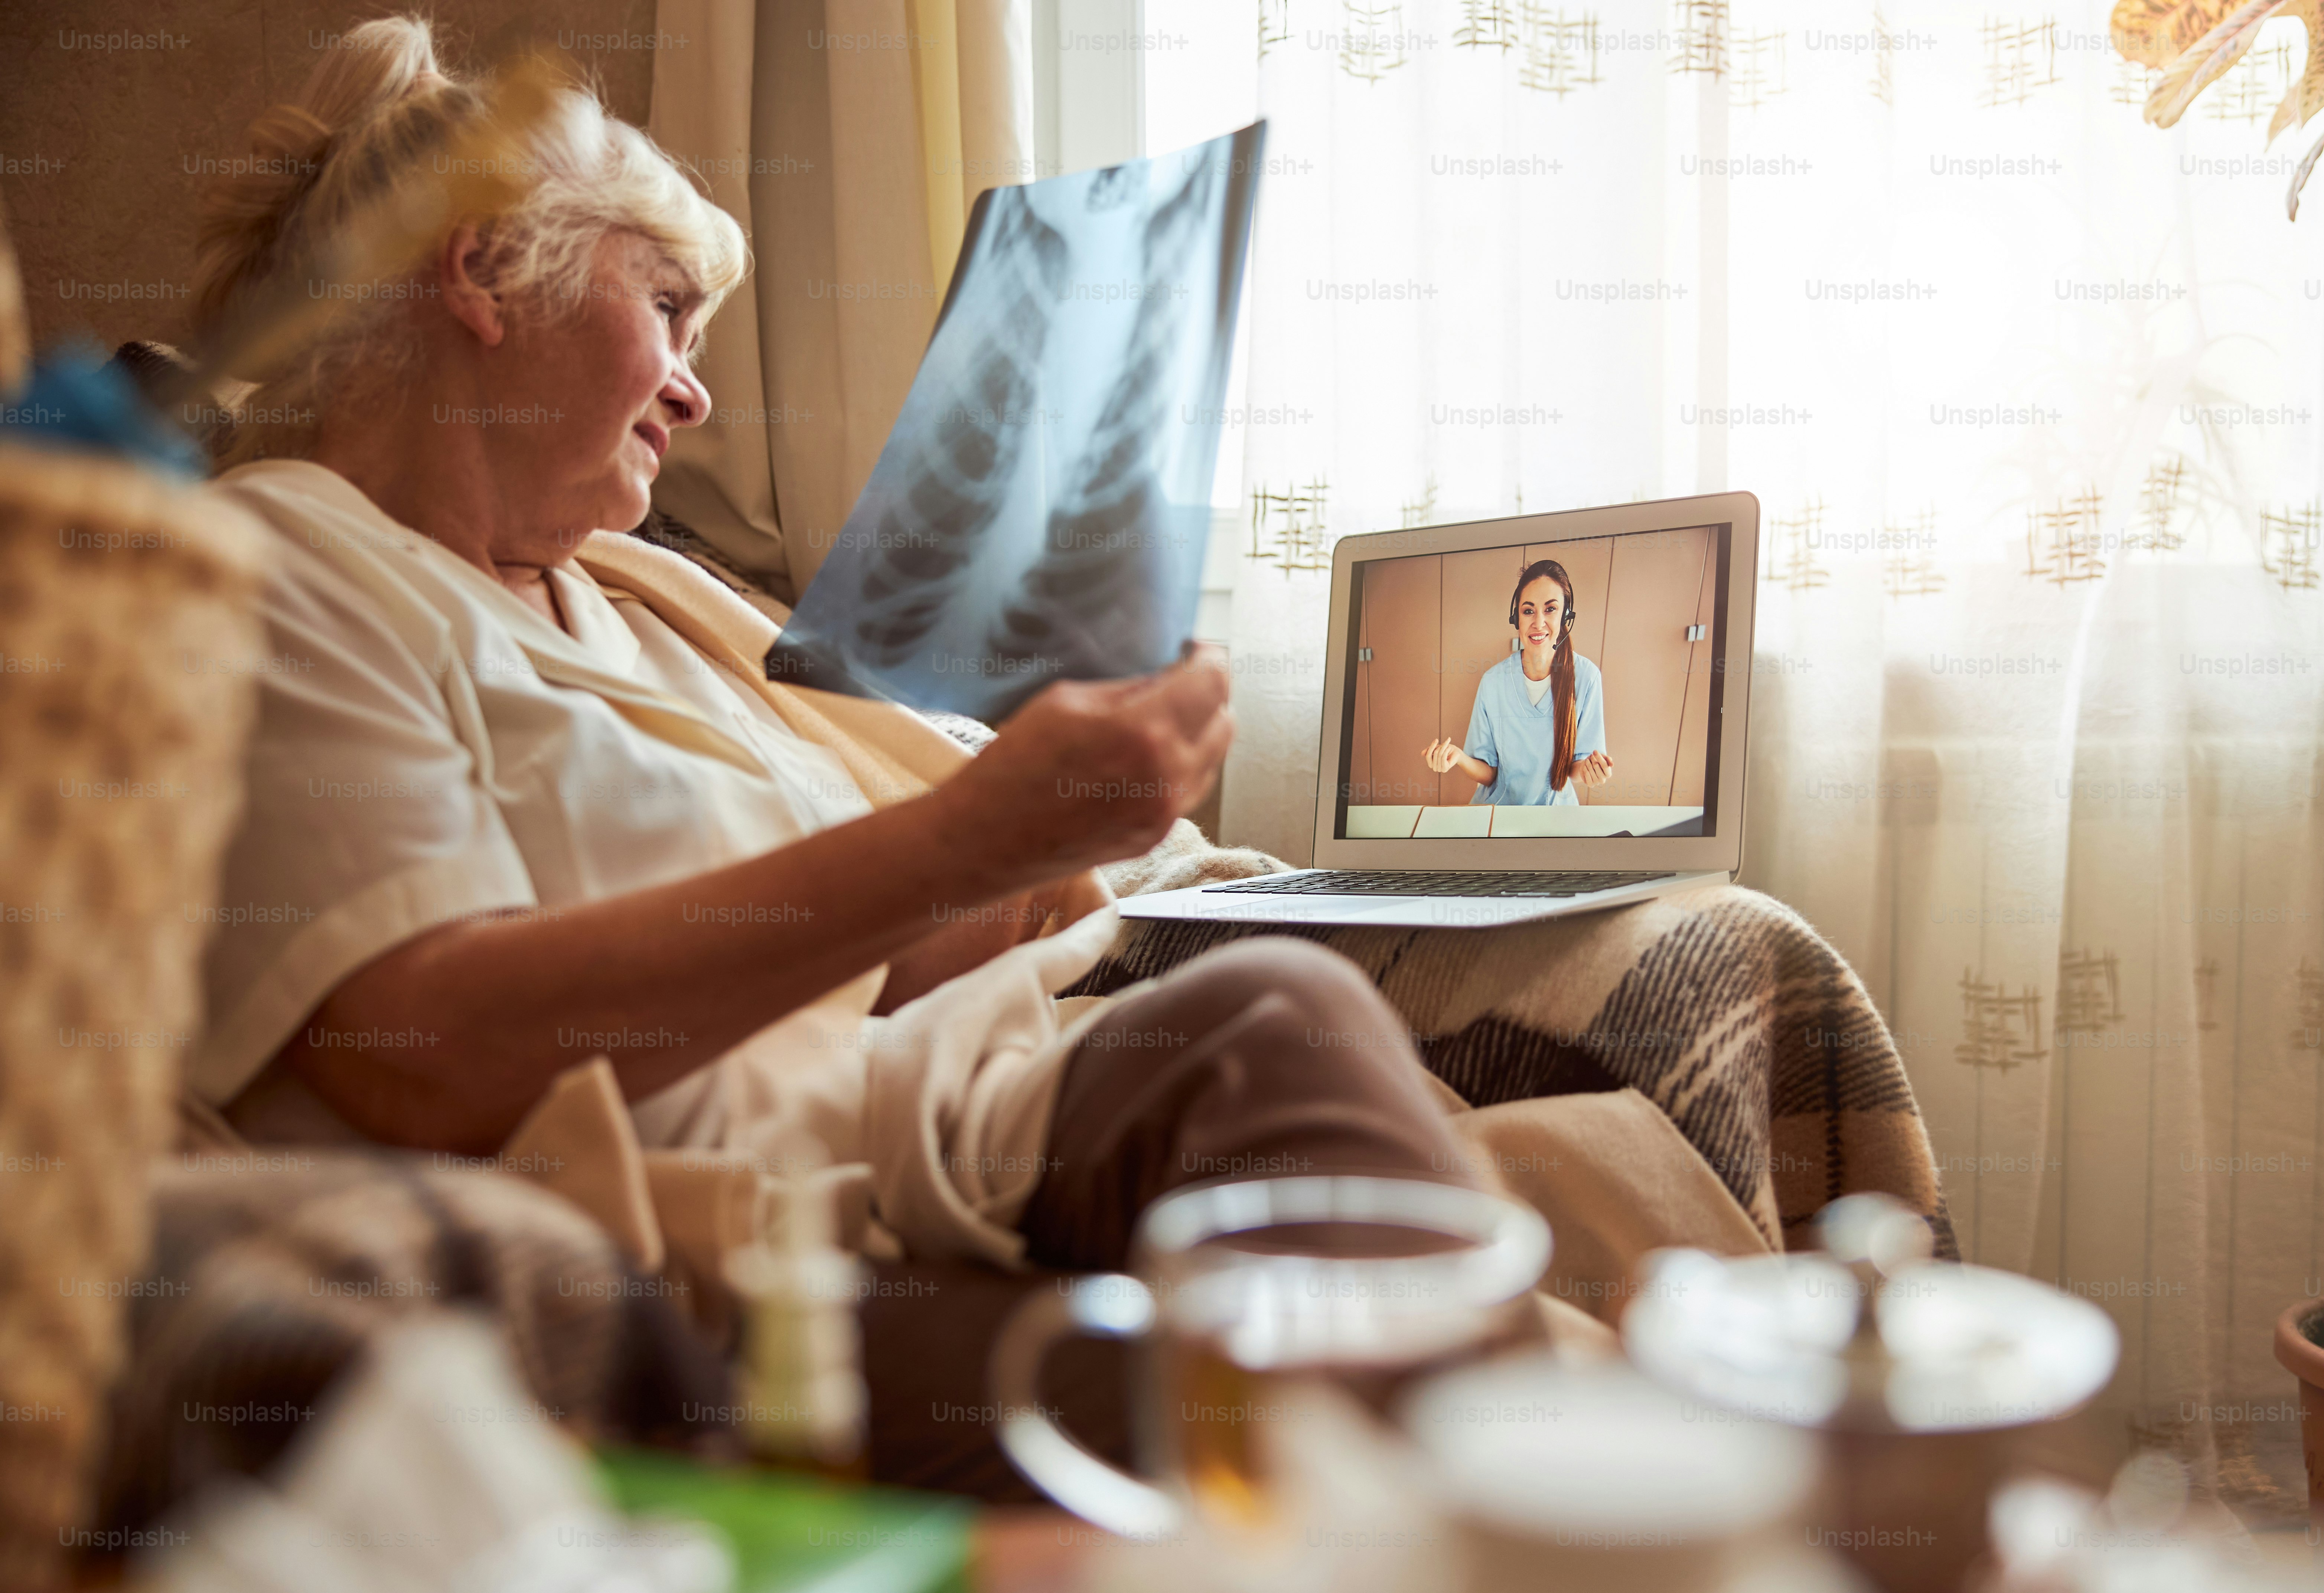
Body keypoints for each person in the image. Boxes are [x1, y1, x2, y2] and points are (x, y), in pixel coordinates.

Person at [180, 16, 1480, 1495]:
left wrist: (1062, 828)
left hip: (940, 1077)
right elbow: (416, 1050)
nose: (695, 391)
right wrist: (982, 837)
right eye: (666, 310)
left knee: (1666, 958)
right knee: (1274, 1031)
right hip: (736, 1231)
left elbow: (856, 948)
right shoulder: (279, 559)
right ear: (478, 269)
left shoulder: (642, 590)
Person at [1424, 558, 1612, 806]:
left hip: (1554, 813)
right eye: (1528, 611)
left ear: (1566, 615)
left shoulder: (1587, 678)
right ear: (1517, 619)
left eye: (1550, 609)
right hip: (1499, 810)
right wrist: (1458, 757)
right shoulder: (1493, 682)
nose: (1538, 622)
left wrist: (1590, 771)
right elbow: (1489, 774)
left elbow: (1576, 768)